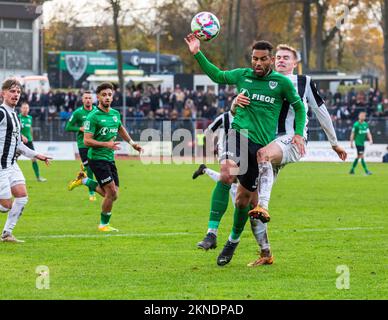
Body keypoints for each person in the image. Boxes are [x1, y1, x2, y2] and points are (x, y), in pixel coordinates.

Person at [185, 34, 306, 266]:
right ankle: (211, 233)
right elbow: (217, 75)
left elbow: (299, 109)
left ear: (270, 60)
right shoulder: (243, 75)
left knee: (242, 201)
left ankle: (232, 241)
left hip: (260, 145)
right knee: (227, 172)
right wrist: (197, 52)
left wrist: (298, 133)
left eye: (262, 59)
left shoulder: (281, 84)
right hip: (237, 136)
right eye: (254, 59)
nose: (257, 63)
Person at [67, 82, 143, 232]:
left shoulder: (115, 114)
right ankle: (103, 225)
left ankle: (84, 180)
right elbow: (86, 141)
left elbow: (120, 128)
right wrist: (105, 144)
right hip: (96, 158)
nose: (107, 97)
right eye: (104, 95)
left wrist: (133, 143)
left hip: (110, 158)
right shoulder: (93, 116)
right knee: (111, 193)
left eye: (109, 95)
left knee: (114, 195)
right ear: (98, 97)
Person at [0, 78, 51, 243]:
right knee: (5, 206)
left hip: (11, 164)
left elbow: (19, 144)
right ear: (3, 93)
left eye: (18, 92)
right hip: (1, 166)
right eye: (12, 91)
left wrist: (38, 155)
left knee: (21, 197)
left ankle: (7, 233)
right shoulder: (1, 113)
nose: (15, 95)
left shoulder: (15, 116)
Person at [65, 91, 97, 201]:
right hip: (83, 143)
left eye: (89, 98)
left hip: (95, 142)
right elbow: (68, 127)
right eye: (86, 98)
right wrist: (79, 128)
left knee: (94, 166)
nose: (88, 100)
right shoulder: (78, 113)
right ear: (82, 100)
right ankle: (92, 193)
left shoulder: (97, 111)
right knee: (90, 168)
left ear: (92, 100)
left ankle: (83, 170)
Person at [19, 102, 47, 182]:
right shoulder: (17, 117)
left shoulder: (30, 118)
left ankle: (38, 177)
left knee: (34, 158)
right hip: (20, 141)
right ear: (21, 109)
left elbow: (30, 128)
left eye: (27, 108)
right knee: (14, 159)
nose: (25, 110)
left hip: (29, 141)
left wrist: (31, 136)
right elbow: (15, 130)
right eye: (24, 108)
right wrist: (21, 136)